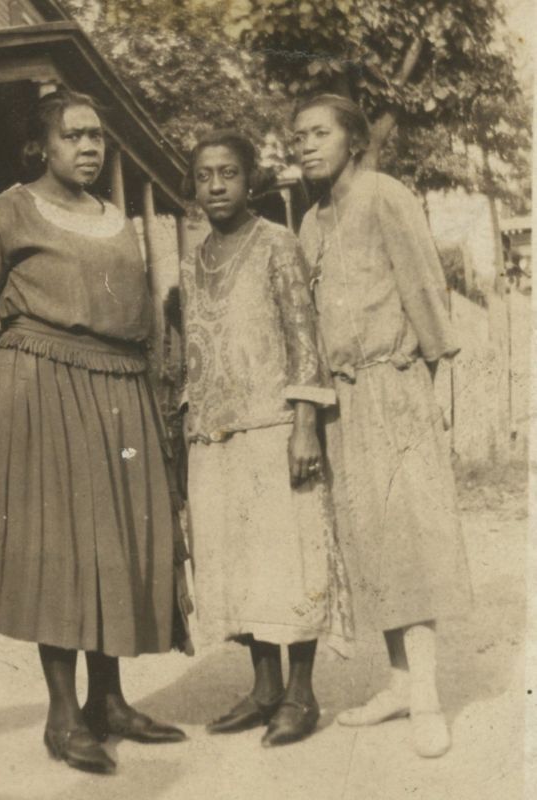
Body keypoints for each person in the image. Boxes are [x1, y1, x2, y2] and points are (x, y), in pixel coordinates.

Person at [0, 88, 190, 775]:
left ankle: (109, 700)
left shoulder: (115, 219)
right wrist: (14, 372)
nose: (88, 148)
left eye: (97, 137)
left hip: (118, 388)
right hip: (40, 390)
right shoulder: (11, 210)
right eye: (73, 136)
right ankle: (62, 714)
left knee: (111, 542)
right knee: (59, 546)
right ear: (42, 148)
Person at [292, 94, 472, 758]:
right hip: (343, 403)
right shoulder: (310, 224)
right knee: (370, 541)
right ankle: (397, 682)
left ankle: (425, 696)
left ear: (352, 140)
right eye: (299, 136)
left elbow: (426, 287)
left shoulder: (385, 195)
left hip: (395, 386)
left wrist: (439, 384)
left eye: (320, 133)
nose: (307, 145)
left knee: (409, 540)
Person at [179, 129, 353, 747]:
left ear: (250, 179)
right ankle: (262, 689)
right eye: (204, 175)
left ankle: (301, 695)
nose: (216, 185)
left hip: (274, 428)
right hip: (214, 437)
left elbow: (305, 338)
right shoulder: (192, 260)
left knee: (289, 560)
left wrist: (305, 423)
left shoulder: (278, 243)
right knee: (237, 566)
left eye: (228, 172)